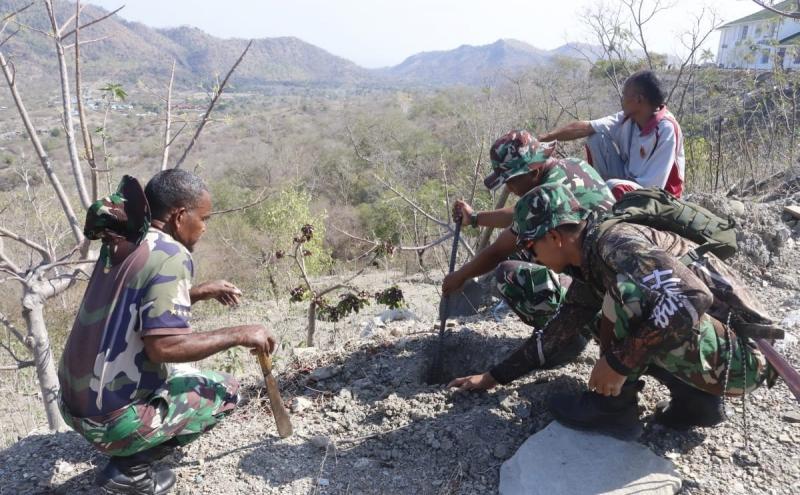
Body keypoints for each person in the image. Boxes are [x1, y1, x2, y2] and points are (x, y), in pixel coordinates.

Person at [449, 183, 774, 439]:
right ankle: (696, 402)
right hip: (719, 349)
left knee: (626, 297)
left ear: (553, 236)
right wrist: (493, 377)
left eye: (529, 246)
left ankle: (612, 410)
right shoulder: (589, 257)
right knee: (599, 311)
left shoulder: (614, 243)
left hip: (742, 359)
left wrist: (618, 363)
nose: (528, 255)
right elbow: (562, 326)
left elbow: (692, 296)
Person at [58, 171, 276, 494]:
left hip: (73, 406)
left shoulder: (124, 239)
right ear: (179, 216)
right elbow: (164, 347)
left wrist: (199, 292)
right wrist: (241, 333)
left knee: (177, 372)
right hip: (108, 423)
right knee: (226, 390)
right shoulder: (172, 255)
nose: (204, 228)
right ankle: (131, 471)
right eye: (203, 219)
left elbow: (134, 302)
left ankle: (124, 441)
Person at [445, 130, 614, 336]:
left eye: (511, 180)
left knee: (509, 274)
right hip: (604, 270)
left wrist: (460, 277)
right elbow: (520, 214)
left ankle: (571, 333)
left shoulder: (552, 187)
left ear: (534, 172)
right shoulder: (572, 166)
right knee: (529, 247)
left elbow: (499, 251)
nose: (509, 188)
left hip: (603, 284)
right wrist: (475, 218)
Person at [538, 70, 685, 199]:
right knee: (596, 138)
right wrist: (543, 139)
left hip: (658, 196)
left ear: (639, 99)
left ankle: (603, 201)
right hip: (628, 183)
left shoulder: (666, 129)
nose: (622, 99)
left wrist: (614, 187)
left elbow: (654, 186)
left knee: (611, 187)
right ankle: (604, 195)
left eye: (625, 94)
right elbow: (586, 127)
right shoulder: (627, 118)